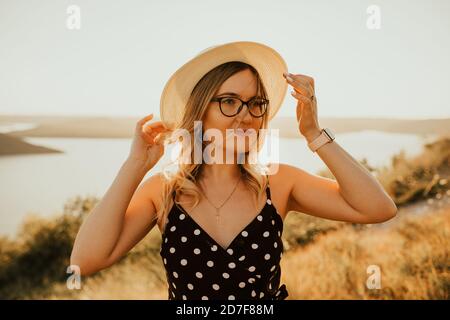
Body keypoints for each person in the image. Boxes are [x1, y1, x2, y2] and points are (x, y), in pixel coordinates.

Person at [70, 41, 398, 300]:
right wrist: (134, 166)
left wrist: (314, 134)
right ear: (200, 110)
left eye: (256, 103)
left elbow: (378, 208)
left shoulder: (280, 182)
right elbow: (85, 261)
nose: (246, 115)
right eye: (229, 101)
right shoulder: (165, 191)